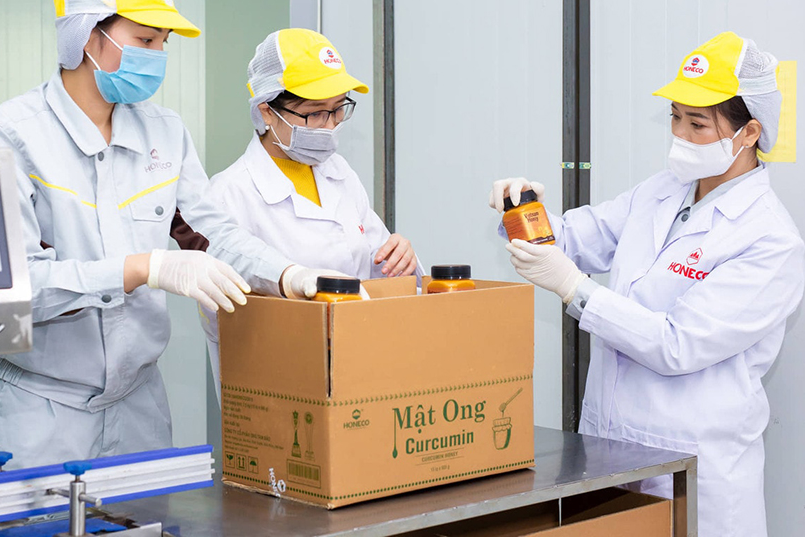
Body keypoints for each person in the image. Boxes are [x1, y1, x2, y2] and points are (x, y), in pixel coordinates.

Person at [0, 0, 338, 471]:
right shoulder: (9, 136)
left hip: (137, 407)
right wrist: (144, 268)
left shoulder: (165, 133)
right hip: (40, 412)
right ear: (87, 35)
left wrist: (288, 274)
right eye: (145, 40)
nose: (158, 55)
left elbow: (211, 234)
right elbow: (16, 291)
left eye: (164, 43)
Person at [489, 31, 803, 536]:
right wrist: (523, 210)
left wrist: (576, 289)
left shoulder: (770, 240)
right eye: (676, 117)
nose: (680, 133)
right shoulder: (661, 192)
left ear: (749, 133)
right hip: (611, 456)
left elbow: (677, 344)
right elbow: (573, 239)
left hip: (696, 472)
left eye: (697, 123)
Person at [198, 29, 420, 392]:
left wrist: (399, 259)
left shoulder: (339, 173)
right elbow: (225, 319)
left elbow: (374, 265)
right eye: (315, 113)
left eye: (338, 109)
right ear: (267, 111)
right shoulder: (227, 195)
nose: (330, 126)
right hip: (281, 385)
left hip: (364, 367)